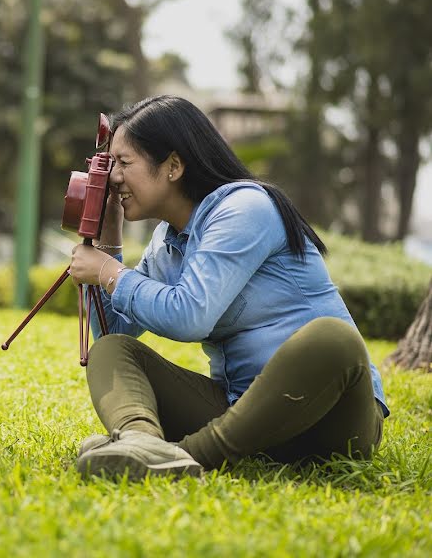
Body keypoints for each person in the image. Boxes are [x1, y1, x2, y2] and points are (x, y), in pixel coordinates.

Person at [69, 95, 387, 480]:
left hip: (332, 420)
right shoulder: (166, 243)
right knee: (111, 350)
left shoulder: (244, 208)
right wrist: (108, 241)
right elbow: (114, 330)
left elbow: (190, 316)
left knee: (333, 339)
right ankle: (140, 442)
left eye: (124, 162)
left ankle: (186, 455)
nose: (112, 176)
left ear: (172, 165)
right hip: (244, 414)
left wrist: (109, 272)